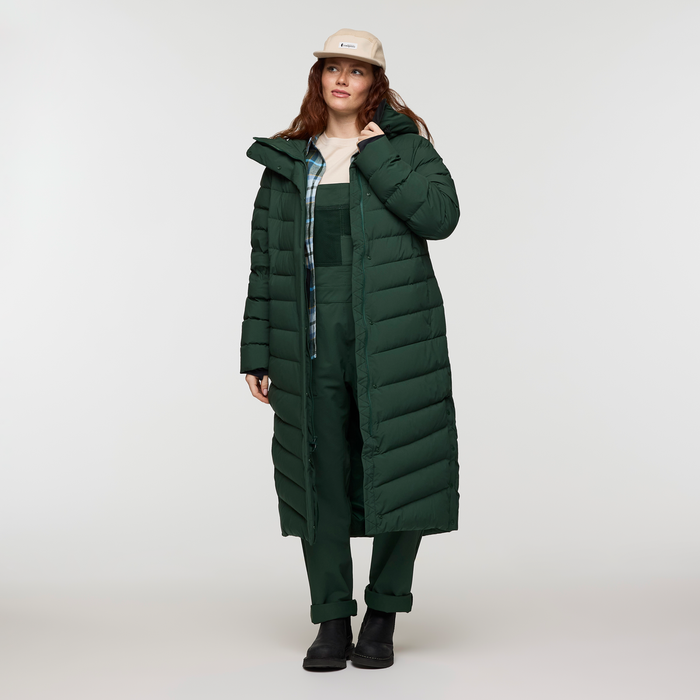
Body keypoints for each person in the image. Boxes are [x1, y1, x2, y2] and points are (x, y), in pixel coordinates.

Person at [240, 28, 460, 671]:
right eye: (332, 67)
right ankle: (331, 617)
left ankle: (383, 612)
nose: (342, 79)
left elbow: (441, 218)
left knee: (403, 469)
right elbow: (265, 264)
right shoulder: (289, 161)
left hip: (394, 339)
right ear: (319, 78)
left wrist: (379, 153)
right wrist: (257, 349)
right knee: (318, 479)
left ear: (374, 83)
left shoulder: (404, 148)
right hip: (310, 347)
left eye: (356, 70)